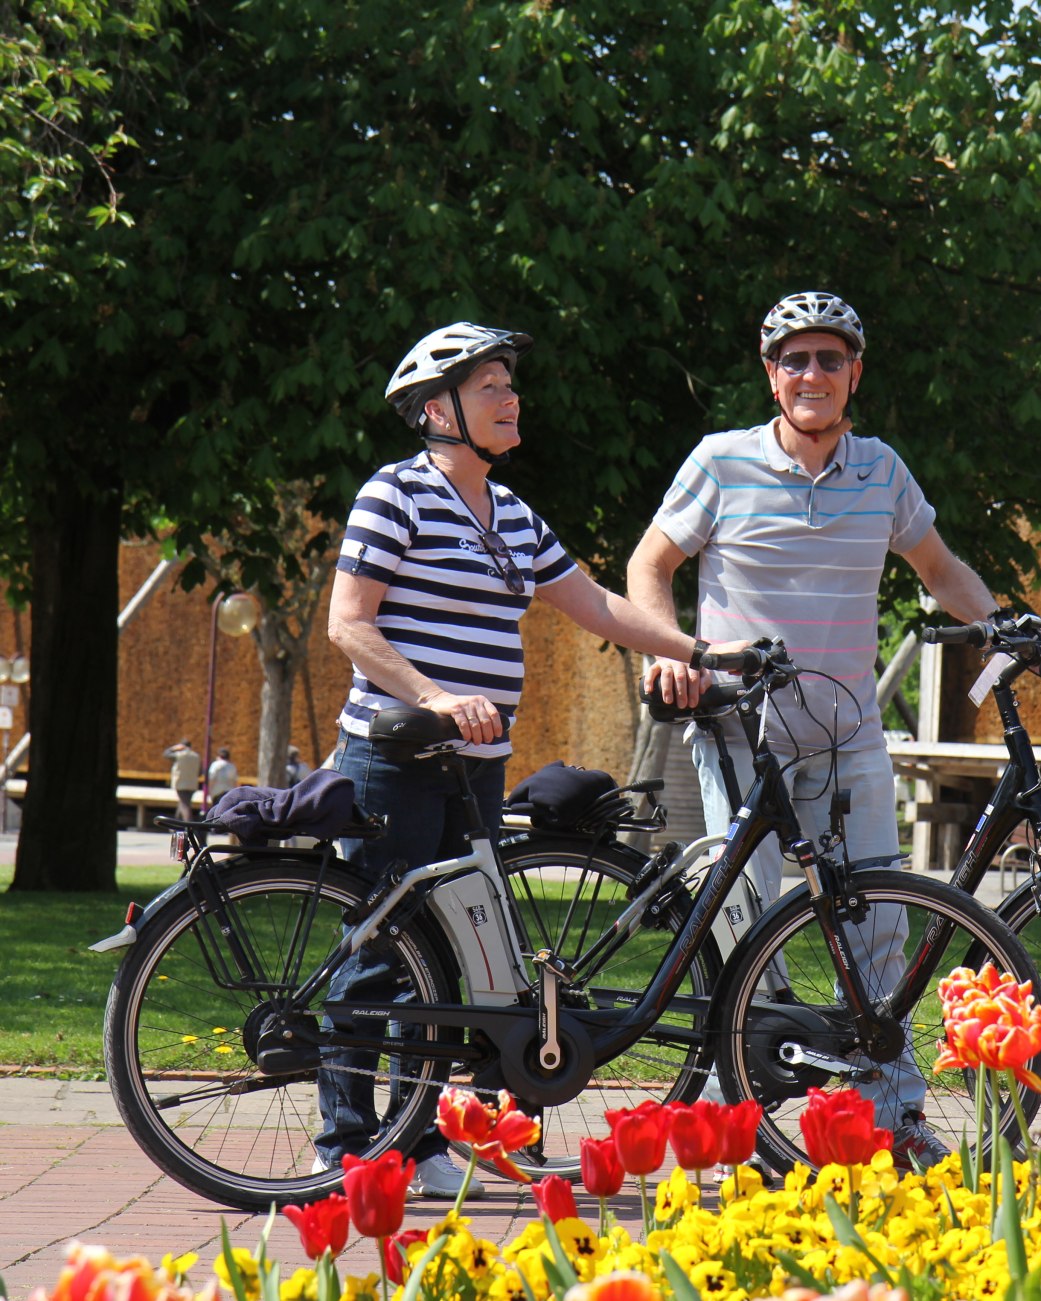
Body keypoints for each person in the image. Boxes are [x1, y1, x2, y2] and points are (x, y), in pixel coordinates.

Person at [317, 321, 708, 1198]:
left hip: (476, 764)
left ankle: (412, 1139)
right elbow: (349, 622)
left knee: (458, 959)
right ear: (435, 409)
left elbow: (601, 607)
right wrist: (431, 695)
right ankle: (344, 1142)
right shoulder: (396, 494)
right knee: (380, 951)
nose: (510, 397)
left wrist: (705, 649)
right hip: (397, 758)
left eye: (508, 383)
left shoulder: (514, 515)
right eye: (490, 384)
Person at [627, 290, 1000, 1171]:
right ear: (769, 374)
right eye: (793, 359)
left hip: (848, 736)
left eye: (829, 360)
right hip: (740, 735)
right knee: (749, 926)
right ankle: (743, 1117)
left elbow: (939, 569)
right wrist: (673, 650)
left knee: (878, 926)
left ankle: (892, 1115)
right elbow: (651, 563)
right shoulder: (720, 460)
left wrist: (1007, 627)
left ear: (854, 375)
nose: (811, 374)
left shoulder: (881, 470)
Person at [162, 739, 200, 821]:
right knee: (183, 803)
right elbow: (199, 772)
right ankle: (175, 826)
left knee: (184, 805)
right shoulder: (196, 756)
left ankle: (189, 825)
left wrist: (174, 748)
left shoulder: (179, 755)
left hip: (181, 784)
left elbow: (165, 754)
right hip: (192, 785)